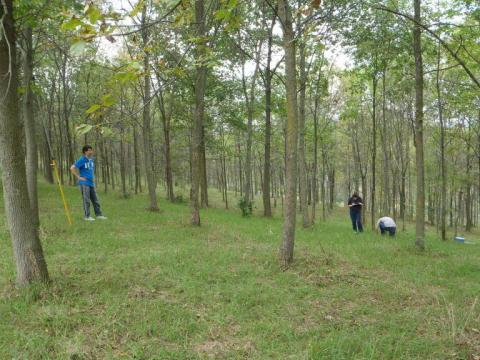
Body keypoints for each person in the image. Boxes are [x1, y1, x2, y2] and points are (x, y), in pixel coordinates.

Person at [70, 145, 107, 221]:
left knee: (95, 199)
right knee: (86, 200)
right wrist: (79, 177)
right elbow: (72, 168)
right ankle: (87, 216)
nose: (91, 151)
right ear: (85, 151)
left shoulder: (91, 160)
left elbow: (90, 171)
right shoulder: (82, 160)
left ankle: (99, 214)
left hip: (91, 183)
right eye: (89, 150)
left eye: (91, 150)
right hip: (84, 183)